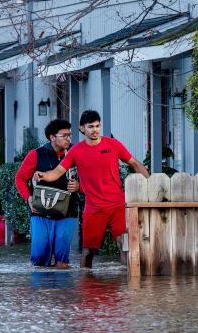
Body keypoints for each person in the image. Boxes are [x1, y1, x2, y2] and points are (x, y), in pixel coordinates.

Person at [37, 110, 149, 268]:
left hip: (117, 206)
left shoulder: (113, 144)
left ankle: (129, 282)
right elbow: (57, 172)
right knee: (88, 252)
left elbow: (135, 164)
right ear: (82, 128)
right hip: (93, 208)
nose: (95, 129)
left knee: (124, 246)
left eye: (97, 126)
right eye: (91, 126)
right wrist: (43, 176)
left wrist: (150, 182)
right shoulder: (76, 151)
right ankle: (87, 285)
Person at [15, 119, 80, 268]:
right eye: (64, 135)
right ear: (52, 137)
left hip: (67, 213)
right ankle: (40, 291)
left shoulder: (76, 153)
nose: (68, 139)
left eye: (69, 135)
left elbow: (90, 179)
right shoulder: (35, 154)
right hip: (40, 213)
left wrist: (79, 186)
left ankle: (62, 290)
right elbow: (19, 178)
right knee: (38, 259)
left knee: (62, 261)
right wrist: (28, 198)